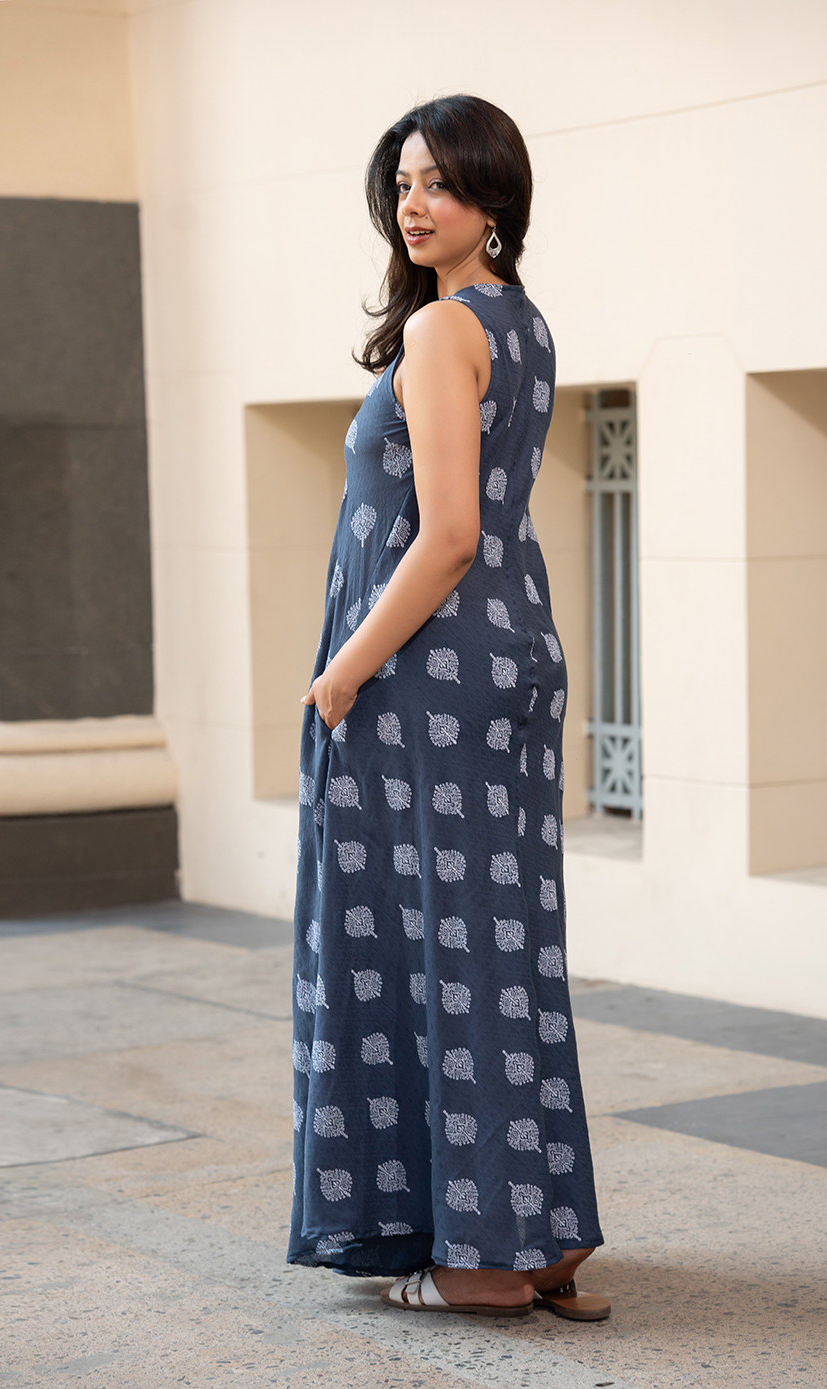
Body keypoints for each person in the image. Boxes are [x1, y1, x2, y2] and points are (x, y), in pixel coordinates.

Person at [287, 94, 609, 1321]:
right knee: (494, 948)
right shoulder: (524, 325)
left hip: (427, 675)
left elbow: (449, 535)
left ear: (494, 198)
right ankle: (536, 1236)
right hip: (505, 663)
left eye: (441, 182)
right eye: (404, 183)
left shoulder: (441, 331)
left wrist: (343, 671)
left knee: (418, 947)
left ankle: (474, 1260)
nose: (415, 204)